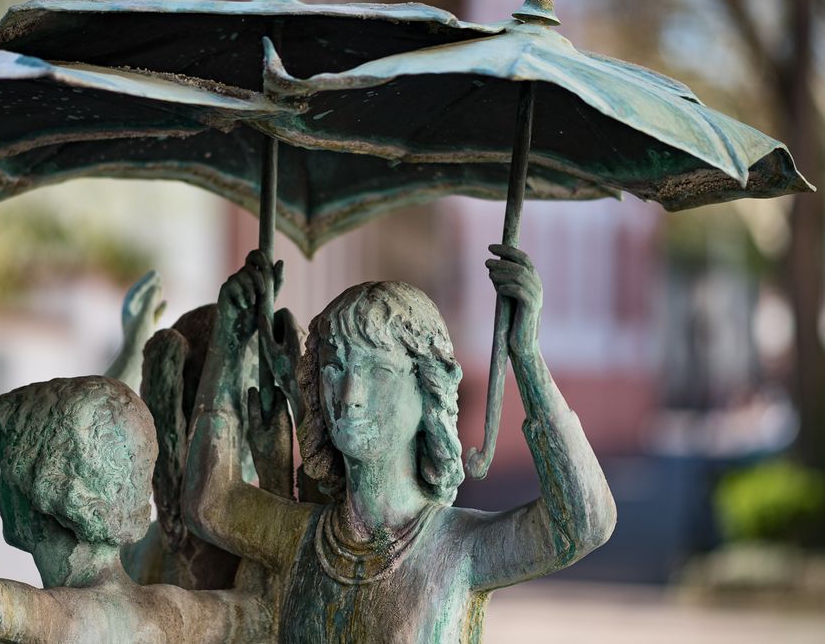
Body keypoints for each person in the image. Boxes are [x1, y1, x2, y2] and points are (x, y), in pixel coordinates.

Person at [185, 247, 616, 643]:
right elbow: (210, 501)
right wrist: (228, 338)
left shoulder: (457, 548)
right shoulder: (301, 538)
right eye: (335, 367)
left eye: (379, 371)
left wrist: (526, 358)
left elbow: (584, 523)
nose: (351, 392)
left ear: (427, 393)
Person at [0, 300, 268, 643]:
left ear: (45, 491)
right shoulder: (169, 610)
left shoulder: (80, 617)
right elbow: (259, 609)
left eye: (5, 473)